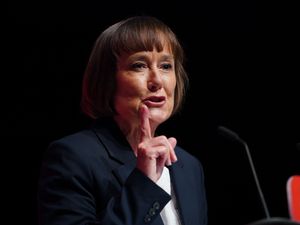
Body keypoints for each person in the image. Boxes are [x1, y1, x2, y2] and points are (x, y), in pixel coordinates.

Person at [37, 16, 207, 225]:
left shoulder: (188, 166)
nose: (156, 80)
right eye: (139, 65)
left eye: (165, 66)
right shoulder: (73, 158)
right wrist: (143, 183)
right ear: (107, 80)